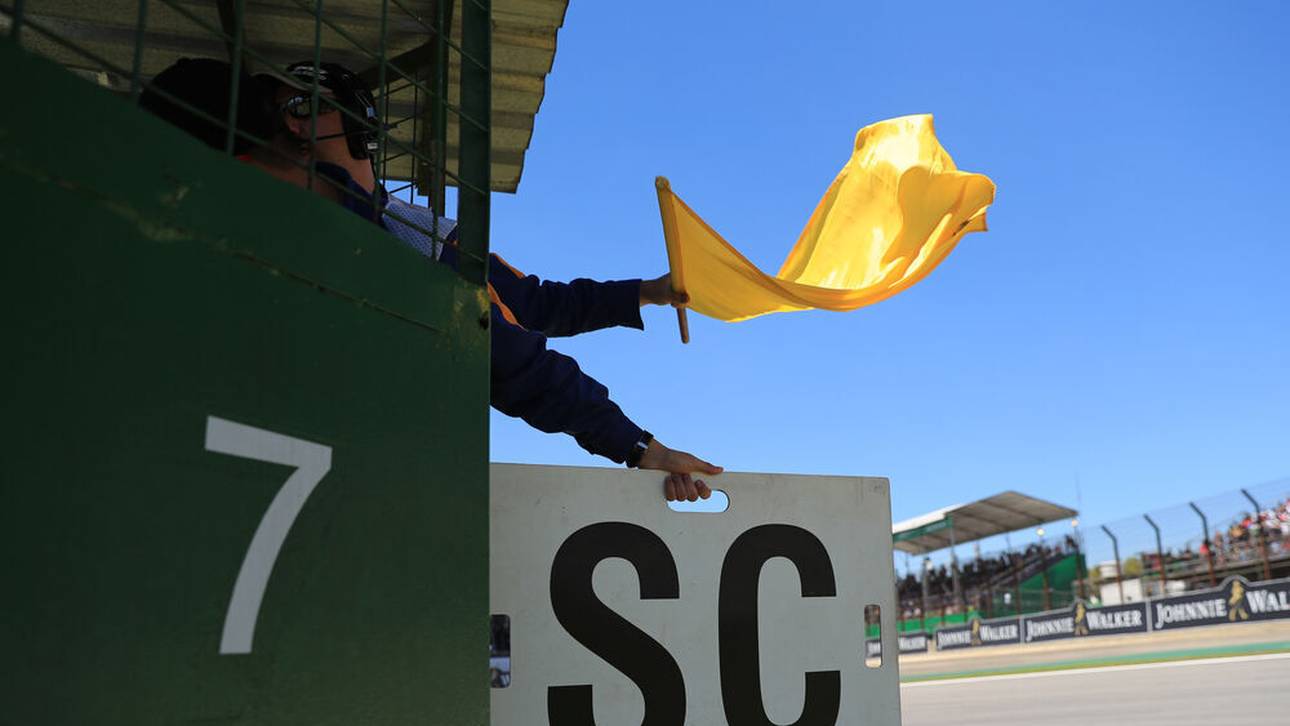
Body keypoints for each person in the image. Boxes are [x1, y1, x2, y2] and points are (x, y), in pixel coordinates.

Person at [140, 58, 721, 502]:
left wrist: (646, 292)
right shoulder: (340, 220)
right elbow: (505, 351)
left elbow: (528, 305)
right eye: (288, 106)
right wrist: (638, 445)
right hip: (321, 455)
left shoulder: (409, 226)